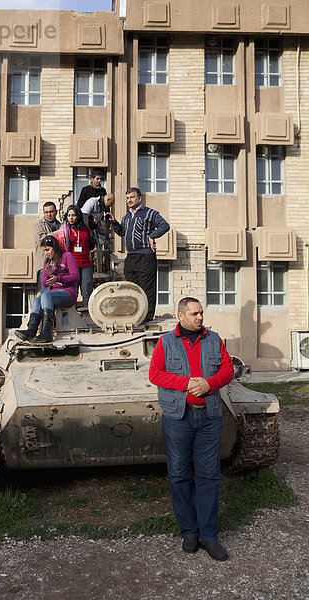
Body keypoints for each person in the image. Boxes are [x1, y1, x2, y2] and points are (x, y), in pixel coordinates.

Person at [148, 297, 234, 561]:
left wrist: (209, 384)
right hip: (178, 417)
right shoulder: (165, 341)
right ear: (181, 316)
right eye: (195, 313)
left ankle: (209, 536)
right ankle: (189, 532)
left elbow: (228, 369)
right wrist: (186, 383)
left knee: (209, 476)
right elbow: (155, 374)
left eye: (201, 313)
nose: (200, 317)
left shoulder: (214, 339)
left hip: (208, 417)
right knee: (179, 476)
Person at [109, 187, 170, 323]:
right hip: (131, 257)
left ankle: (146, 319)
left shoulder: (150, 213)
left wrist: (152, 235)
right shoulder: (126, 216)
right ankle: (134, 317)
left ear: (139, 198)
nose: (129, 200)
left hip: (146, 256)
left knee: (147, 288)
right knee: (132, 288)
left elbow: (164, 225)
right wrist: (114, 222)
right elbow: (122, 232)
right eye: (127, 198)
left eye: (132, 197)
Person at [15, 236, 79, 343]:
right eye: (44, 250)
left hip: (68, 293)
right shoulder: (47, 261)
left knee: (45, 296)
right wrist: (48, 274)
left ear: (54, 247)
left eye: (48, 249)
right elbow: (44, 283)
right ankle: (31, 330)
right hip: (52, 294)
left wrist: (58, 278)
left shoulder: (67, 256)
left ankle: (46, 332)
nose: (46, 253)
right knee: (37, 300)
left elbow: (75, 276)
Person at [56, 205, 95, 308]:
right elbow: (59, 248)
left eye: (73, 215)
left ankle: (88, 317)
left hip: (86, 264)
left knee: (87, 292)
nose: (71, 218)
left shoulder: (86, 229)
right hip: (72, 266)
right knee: (72, 292)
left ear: (78, 216)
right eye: (69, 215)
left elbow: (91, 244)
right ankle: (73, 317)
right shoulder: (63, 230)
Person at [33, 202, 61, 277]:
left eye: (51, 211)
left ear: (56, 212)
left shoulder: (61, 226)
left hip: (59, 265)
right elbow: (41, 240)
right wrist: (58, 233)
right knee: (46, 288)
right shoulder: (38, 225)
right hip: (44, 265)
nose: (49, 214)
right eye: (46, 212)